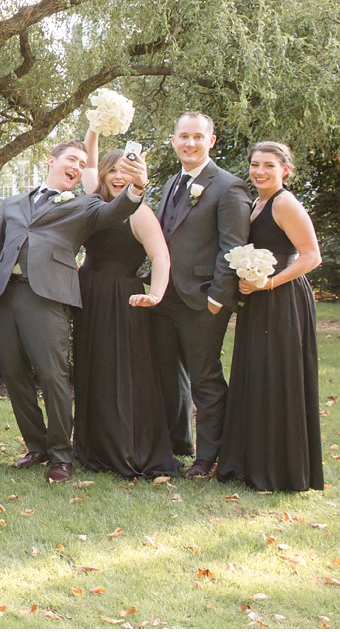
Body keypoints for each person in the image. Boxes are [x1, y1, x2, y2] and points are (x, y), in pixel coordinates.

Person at [0, 141, 148, 483]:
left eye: (83, 163)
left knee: (53, 376)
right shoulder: (11, 204)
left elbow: (116, 212)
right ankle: (36, 446)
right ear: (51, 161)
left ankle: (60, 455)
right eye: (72, 159)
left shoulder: (85, 205)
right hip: (4, 297)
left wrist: (138, 186)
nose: (77, 166)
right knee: (14, 375)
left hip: (48, 296)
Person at [216, 142, 324, 492]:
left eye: (268, 165)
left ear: (285, 170)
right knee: (256, 375)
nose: (259, 171)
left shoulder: (285, 203)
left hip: (283, 301)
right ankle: (249, 462)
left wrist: (269, 283)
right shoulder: (257, 202)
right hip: (258, 300)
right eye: (254, 164)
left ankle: (278, 469)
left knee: (277, 377)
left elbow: (311, 256)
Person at [149, 112, 250, 479]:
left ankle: (210, 457)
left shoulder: (229, 187)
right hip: (165, 298)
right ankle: (178, 445)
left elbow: (232, 247)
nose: (189, 143)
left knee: (204, 378)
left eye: (197, 137)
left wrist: (217, 298)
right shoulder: (170, 184)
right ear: (173, 140)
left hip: (203, 299)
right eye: (183, 137)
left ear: (211, 140)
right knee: (167, 375)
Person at [70, 141, 178, 479]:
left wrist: (156, 294)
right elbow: (88, 161)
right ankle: (94, 446)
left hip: (122, 298)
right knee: (92, 368)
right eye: (112, 170)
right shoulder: (95, 201)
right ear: (103, 174)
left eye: (125, 171)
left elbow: (160, 257)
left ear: (136, 175)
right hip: (89, 293)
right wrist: (97, 121)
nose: (119, 177)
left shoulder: (139, 212)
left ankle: (127, 447)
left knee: (120, 372)